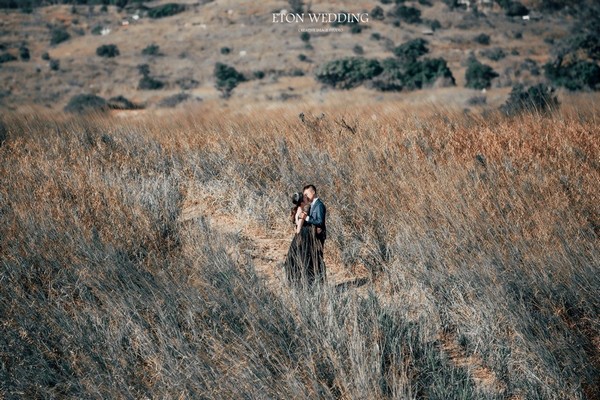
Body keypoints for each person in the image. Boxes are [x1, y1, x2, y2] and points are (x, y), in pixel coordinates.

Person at [284, 188, 325, 286]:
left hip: (304, 237)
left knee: (304, 259)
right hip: (303, 238)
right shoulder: (303, 212)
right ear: (302, 201)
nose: (306, 197)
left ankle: (303, 282)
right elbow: (298, 229)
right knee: (305, 258)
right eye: (305, 197)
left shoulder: (300, 209)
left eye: (307, 195)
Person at [299, 184, 327, 285]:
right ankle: (316, 283)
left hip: (319, 237)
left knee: (318, 259)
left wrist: (306, 218)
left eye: (307, 194)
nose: (305, 196)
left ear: (313, 192)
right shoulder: (312, 205)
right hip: (313, 236)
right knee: (313, 259)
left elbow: (320, 222)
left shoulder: (319, 205)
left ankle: (322, 283)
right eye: (304, 195)